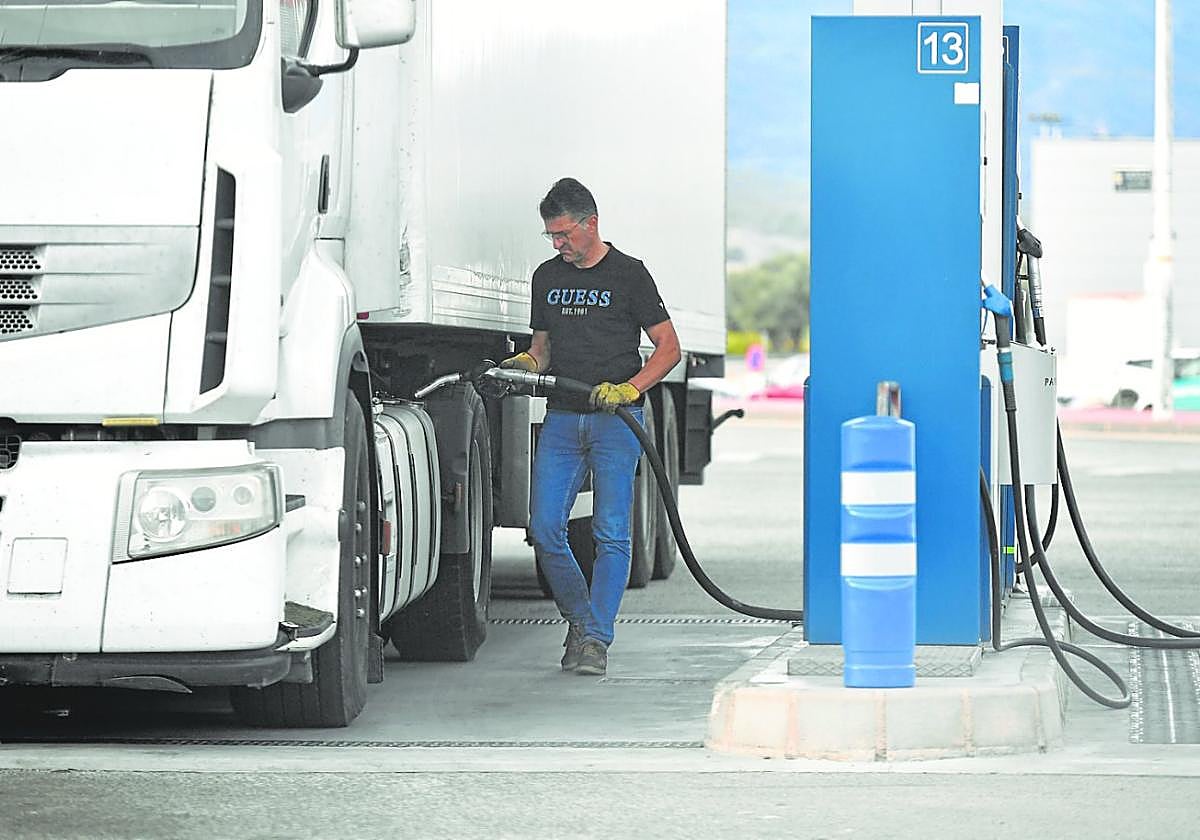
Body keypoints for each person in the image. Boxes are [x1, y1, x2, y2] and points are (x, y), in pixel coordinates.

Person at [502, 177, 681, 676]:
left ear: (591, 223)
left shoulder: (630, 275)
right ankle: (581, 621)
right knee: (544, 529)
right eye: (551, 237)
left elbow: (669, 348)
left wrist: (632, 388)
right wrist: (525, 366)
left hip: (616, 419)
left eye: (563, 234)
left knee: (611, 533)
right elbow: (542, 350)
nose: (558, 244)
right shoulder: (546, 277)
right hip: (562, 418)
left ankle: (596, 639)